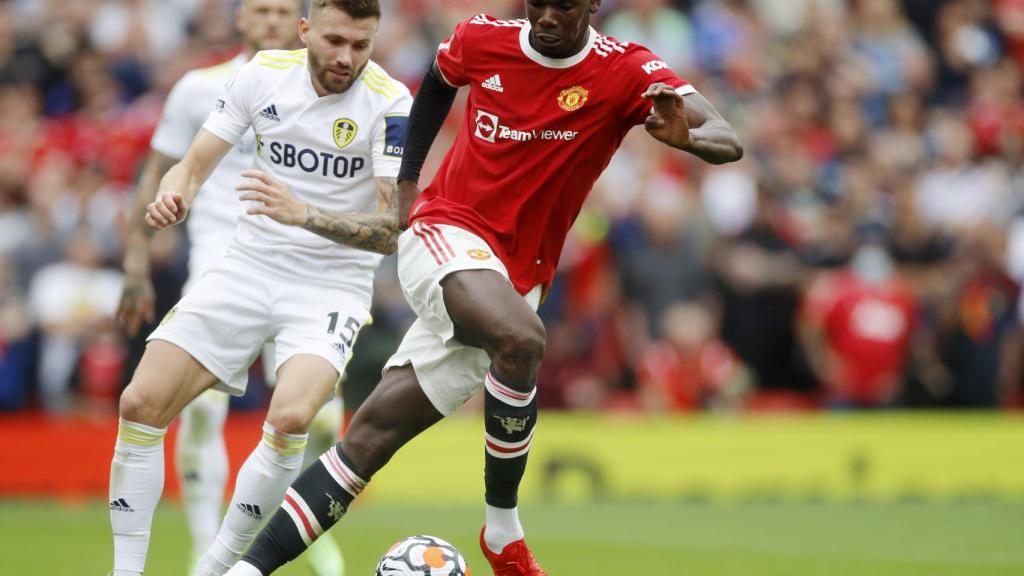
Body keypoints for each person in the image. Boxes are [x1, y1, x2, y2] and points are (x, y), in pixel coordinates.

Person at [226, 0, 742, 574]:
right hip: (443, 233)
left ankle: (244, 571)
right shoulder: (482, 39)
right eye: (536, 2)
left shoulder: (628, 70)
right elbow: (436, 84)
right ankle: (503, 534)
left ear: (593, 4)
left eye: (563, 5)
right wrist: (406, 185)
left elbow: (726, 136)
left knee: (368, 440)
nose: (545, 16)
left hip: (515, 280)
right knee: (522, 339)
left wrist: (689, 139)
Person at [107, 0, 411, 574]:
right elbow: (190, 165)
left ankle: (218, 568)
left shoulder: (392, 104)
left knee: (294, 417)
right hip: (247, 266)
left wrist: (306, 215)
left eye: (361, 45)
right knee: (140, 402)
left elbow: (390, 229)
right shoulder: (262, 75)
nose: (347, 57)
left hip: (330, 286)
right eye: (335, 41)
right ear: (305, 31)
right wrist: (177, 195)